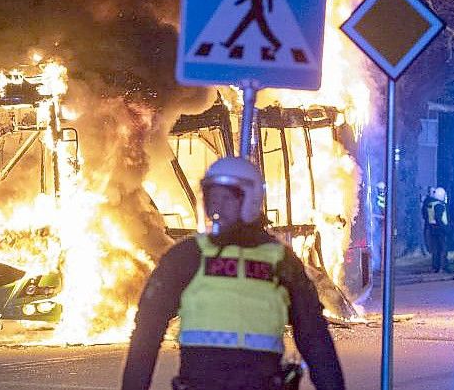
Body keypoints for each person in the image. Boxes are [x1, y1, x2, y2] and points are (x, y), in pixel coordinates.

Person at [121, 157, 345, 390]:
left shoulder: (281, 261)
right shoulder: (187, 257)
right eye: (212, 197)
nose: (217, 206)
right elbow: (146, 334)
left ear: (251, 198)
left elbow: (314, 338)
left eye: (226, 198)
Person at [426, 187, 450, 272]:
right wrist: (445, 228)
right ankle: (442, 267)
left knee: (435, 249)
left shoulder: (431, 204)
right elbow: (438, 218)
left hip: (432, 229)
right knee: (443, 249)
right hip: (440, 230)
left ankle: (435, 266)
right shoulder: (439, 205)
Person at [420, 186, 436, 255]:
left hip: (433, 222)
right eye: (432, 192)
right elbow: (425, 211)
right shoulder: (428, 200)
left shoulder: (433, 200)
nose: (433, 193)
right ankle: (430, 249)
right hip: (429, 222)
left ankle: (431, 249)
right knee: (429, 235)